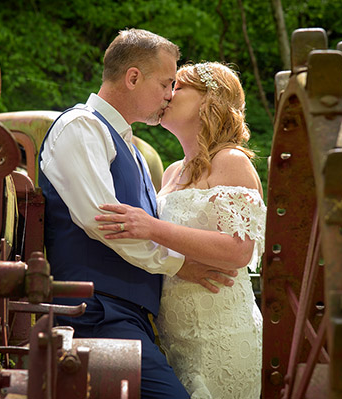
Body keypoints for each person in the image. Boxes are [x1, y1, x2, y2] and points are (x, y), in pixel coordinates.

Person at [38, 30, 237, 399]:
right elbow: (107, 222)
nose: (169, 94)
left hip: (129, 317)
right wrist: (180, 265)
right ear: (132, 77)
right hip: (93, 313)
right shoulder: (81, 127)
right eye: (165, 82)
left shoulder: (131, 150)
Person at [95, 62, 265, 398]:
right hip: (173, 335)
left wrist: (153, 228)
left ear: (209, 99)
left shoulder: (231, 160)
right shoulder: (172, 171)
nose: (168, 94)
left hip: (221, 334)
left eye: (179, 86)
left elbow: (238, 251)